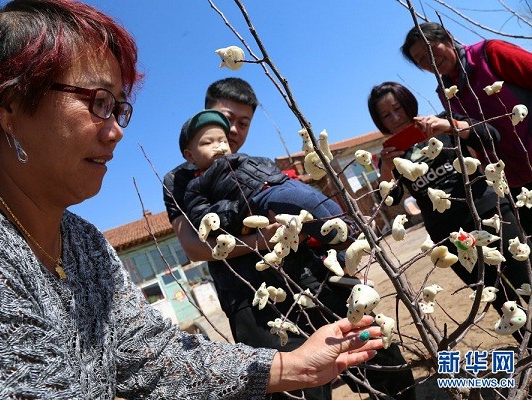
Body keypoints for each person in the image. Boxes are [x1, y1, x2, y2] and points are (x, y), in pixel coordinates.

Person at [0, 1, 386, 398]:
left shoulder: (84, 243)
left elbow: (151, 354)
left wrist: (294, 365)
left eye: (119, 107)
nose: (117, 130)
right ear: (6, 102)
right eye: (98, 102)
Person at [163, 78, 417, 400]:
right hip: (251, 296)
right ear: (207, 112)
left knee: (378, 357)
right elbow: (194, 247)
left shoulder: (255, 165)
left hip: (312, 274)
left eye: (244, 123)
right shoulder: (179, 179)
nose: (234, 131)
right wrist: (267, 239)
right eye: (228, 119)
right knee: (297, 388)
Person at [368, 81, 530, 343]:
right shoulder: (391, 154)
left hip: (491, 213)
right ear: (379, 121)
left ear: (409, 104)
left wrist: (449, 127)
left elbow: (490, 136)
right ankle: (528, 348)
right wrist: (386, 168)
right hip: (451, 236)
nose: (395, 117)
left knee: (525, 275)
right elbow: (389, 198)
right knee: (499, 297)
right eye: (386, 115)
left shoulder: (443, 121)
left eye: (398, 108)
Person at [400, 22, 532, 231]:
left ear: (448, 38)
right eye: (421, 59)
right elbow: (474, 137)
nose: (430, 60)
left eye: (432, 48)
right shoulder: (445, 93)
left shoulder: (490, 53)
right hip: (512, 179)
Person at [180, 109, 344, 245]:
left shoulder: (244, 159)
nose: (218, 146)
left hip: (279, 183)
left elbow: (268, 166)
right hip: (256, 201)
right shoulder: (198, 185)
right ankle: (338, 240)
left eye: (223, 140)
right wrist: (242, 210)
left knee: (315, 197)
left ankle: (348, 229)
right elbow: (203, 219)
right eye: (208, 143)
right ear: (190, 156)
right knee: (298, 200)